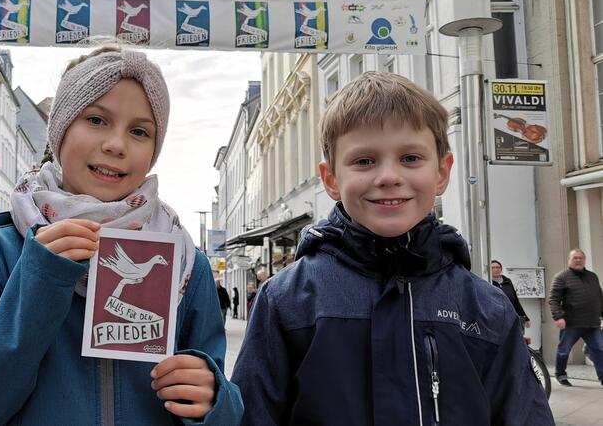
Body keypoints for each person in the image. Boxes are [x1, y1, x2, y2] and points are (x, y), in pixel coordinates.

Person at [0, 45, 243, 425]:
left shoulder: (184, 261)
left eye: (139, 131)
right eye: (96, 120)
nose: (116, 144)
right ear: (60, 129)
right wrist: (39, 283)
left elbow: (222, 406)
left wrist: (214, 399)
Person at [231, 72, 553, 425]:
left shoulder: (485, 307)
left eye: (411, 158)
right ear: (331, 180)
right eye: (365, 161)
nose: (388, 176)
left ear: (442, 172)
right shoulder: (287, 300)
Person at [549, 248, 603, 387]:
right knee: (564, 350)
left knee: (599, 349)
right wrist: (558, 317)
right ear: (569, 260)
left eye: (581, 258)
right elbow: (553, 299)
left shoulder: (593, 276)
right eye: (575, 258)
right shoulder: (561, 277)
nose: (578, 260)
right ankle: (560, 374)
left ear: (584, 260)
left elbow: (599, 298)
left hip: (592, 323)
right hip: (571, 323)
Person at [490, 260, 530, 328]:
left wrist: (526, 318)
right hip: (495, 318)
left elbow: (516, 301)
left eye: (498, 267)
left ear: (501, 269)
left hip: (510, 317)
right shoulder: (488, 282)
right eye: (493, 268)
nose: (496, 269)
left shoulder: (508, 281)